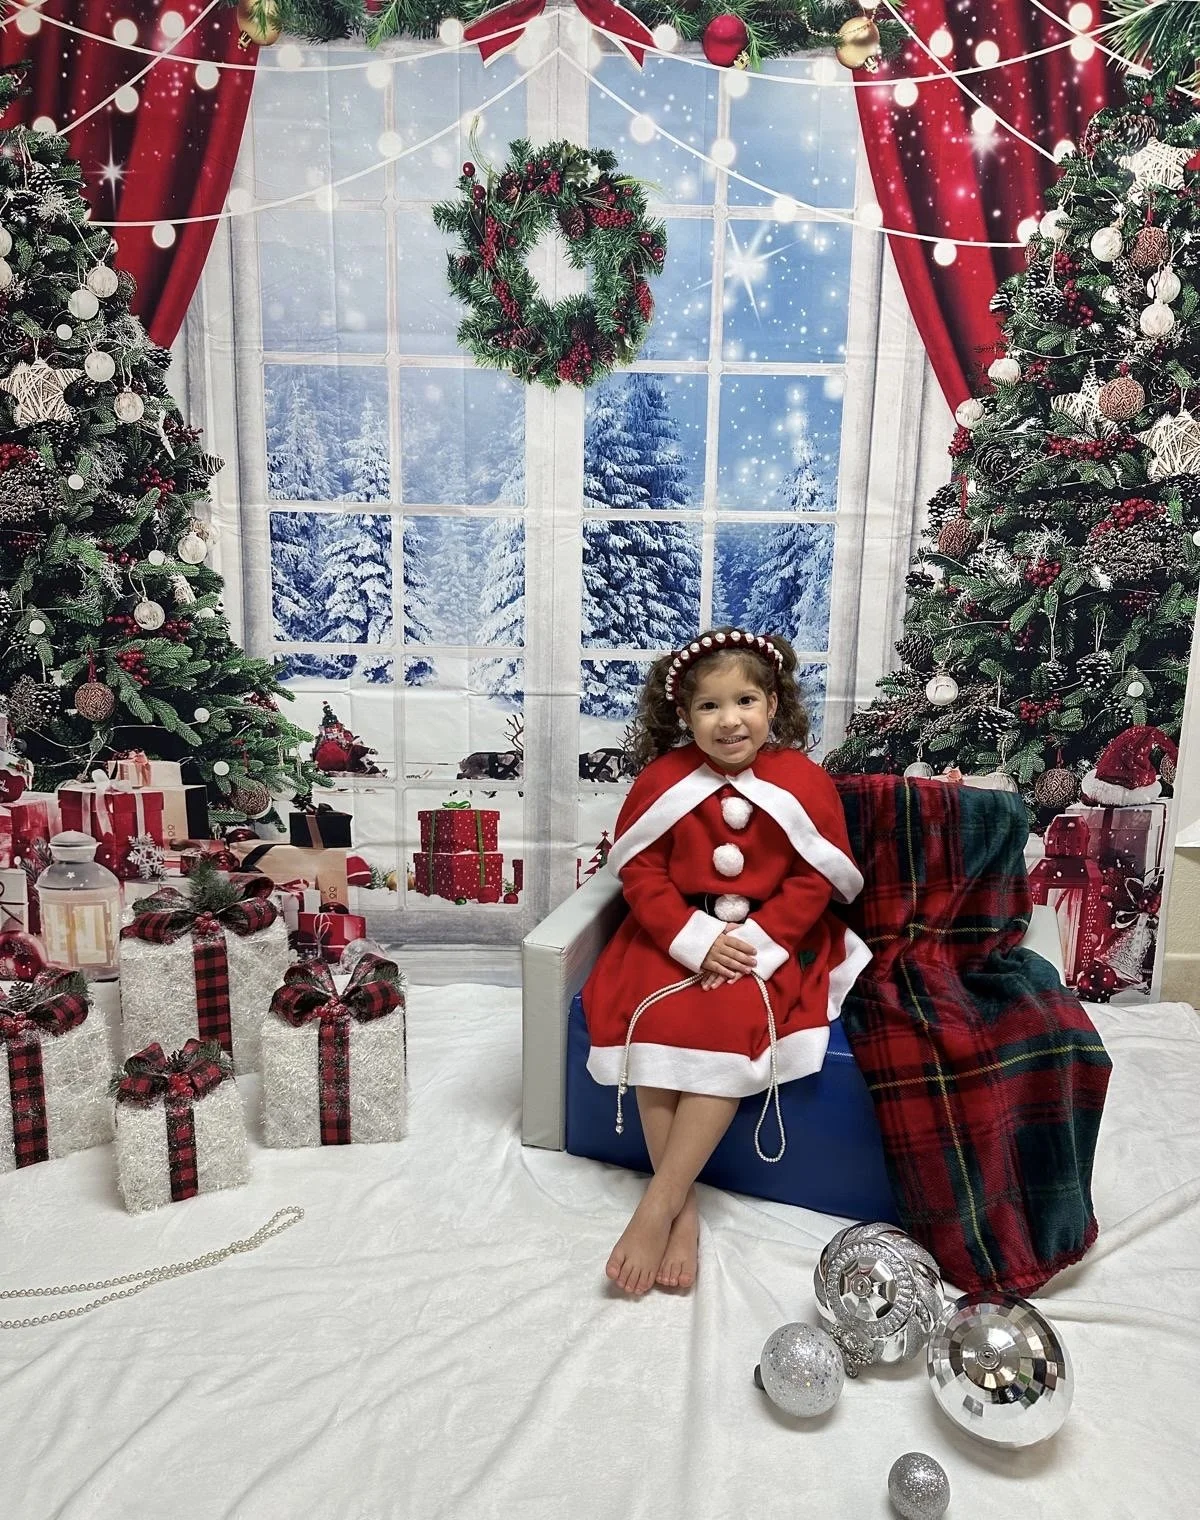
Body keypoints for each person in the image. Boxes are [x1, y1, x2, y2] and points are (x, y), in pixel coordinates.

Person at [582, 628, 870, 1296]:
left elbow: (813, 880)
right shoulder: (664, 779)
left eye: (745, 700)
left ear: (773, 705)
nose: (729, 719)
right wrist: (690, 937)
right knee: (652, 1017)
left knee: (729, 1014)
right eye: (709, 706)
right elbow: (643, 875)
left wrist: (758, 947)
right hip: (672, 932)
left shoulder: (802, 779)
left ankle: (656, 1205)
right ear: (683, 714)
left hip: (772, 938)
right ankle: (678, 1218)